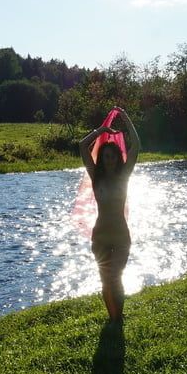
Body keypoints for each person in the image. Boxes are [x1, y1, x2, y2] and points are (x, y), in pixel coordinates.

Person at [80, 107, 140, 321]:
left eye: (113, 156)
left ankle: (118, 317)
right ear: (102, 158)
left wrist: (126, 119)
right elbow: (82, 147)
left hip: (121, 235)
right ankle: (112, 317)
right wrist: (102, 129)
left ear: (118, 158)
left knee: (117, 277)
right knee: (106, 279)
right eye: (106, 156)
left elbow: (136, 146)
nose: (109, 160)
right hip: (101, 236)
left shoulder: (124, 175)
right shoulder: (95, 176)